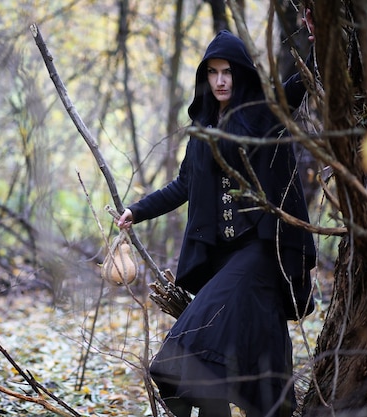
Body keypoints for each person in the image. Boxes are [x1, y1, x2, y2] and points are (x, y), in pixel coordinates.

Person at [116, 18, 317, 417]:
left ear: (240, 75)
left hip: (262, 251)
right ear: (205, 78)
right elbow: (182, 186)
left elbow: (299, 86)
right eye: (213, 73)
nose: (221, 81)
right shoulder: (202, 131)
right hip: (224, 258)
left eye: (227, 72)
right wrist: (136, 211)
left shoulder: (263, 113)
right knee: (262, 348)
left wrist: (318, 41)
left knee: (190, 342)